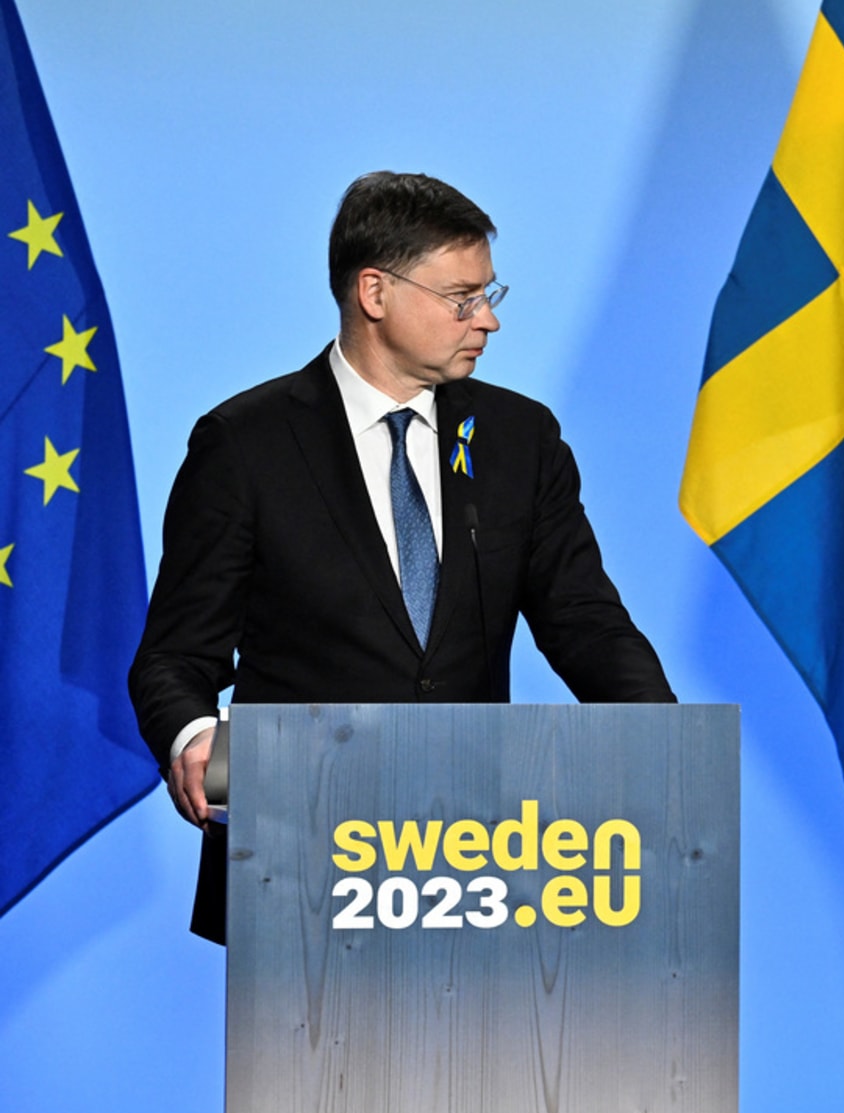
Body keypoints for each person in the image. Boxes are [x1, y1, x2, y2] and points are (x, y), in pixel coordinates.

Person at [128, 171, 675, 942]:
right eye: (462, 298)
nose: (486, 319)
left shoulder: (521, 441)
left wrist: (671, 749)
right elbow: (173, 658)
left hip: (482, 864)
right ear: (375, 292)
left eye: (490, 294)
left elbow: (587, 624)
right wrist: (195, 738)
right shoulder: (245, 446)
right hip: (298, 863)